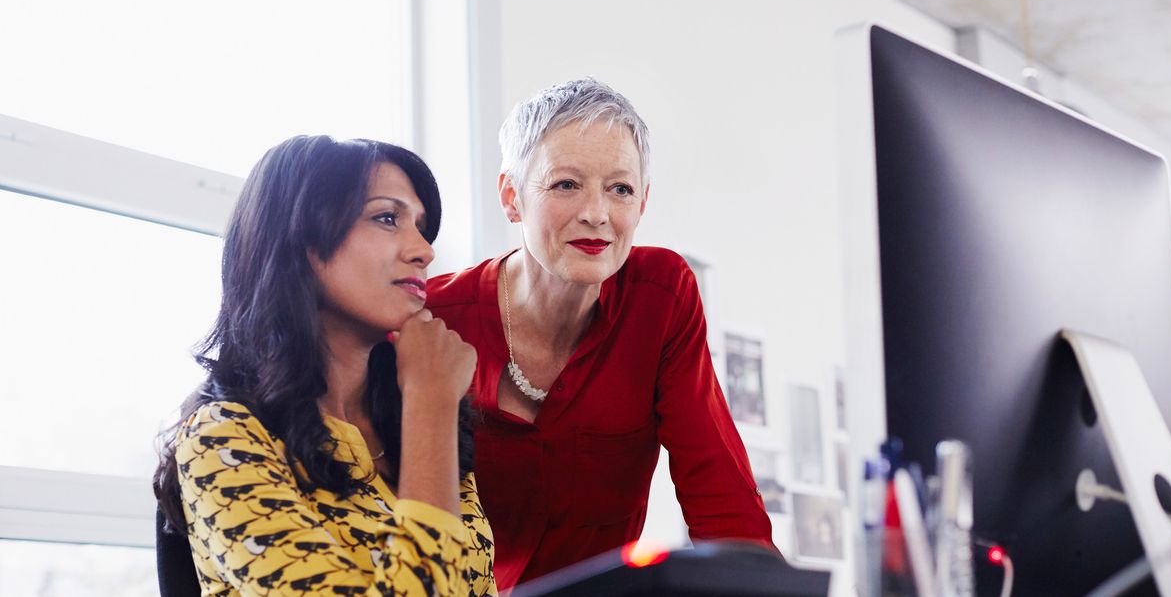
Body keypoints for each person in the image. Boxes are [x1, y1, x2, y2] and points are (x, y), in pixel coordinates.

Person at [427, 78, 774, 590]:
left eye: (620, 189)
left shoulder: (662, 297)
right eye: (566, 184)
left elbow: (720, 492)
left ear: (643, 202)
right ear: (512, 197)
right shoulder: (431, 320)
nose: (597, 213)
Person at [153, 135, 496, 596]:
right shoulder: (223, 438)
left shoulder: (413, 421)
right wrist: (432, 405)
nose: (423, 250)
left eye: (421, 226)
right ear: (300, 239)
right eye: (387, 218)